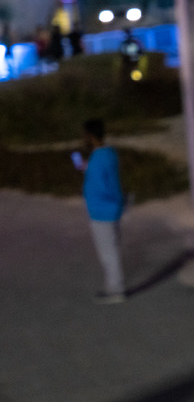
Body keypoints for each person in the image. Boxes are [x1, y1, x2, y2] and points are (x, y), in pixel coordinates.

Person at [78, 118, 126, 303]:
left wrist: (88, 174)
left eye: (84, 134)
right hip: (113, 207)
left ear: (90, 135)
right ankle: (115, 287)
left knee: (108, 252)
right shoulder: (109, 153)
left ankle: (116, 290)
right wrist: (87, 168)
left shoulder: (97, 157)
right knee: (112, 248)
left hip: (101, 210)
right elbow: (105, 176)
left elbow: (98, 184)